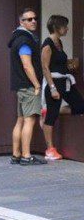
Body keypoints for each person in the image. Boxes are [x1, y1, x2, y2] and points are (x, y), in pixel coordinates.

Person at [40, 14, 84, 161]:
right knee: (51, 117)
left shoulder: (59, 43)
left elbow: (59, 63)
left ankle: (54, 109)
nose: (67, 28)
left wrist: (70, 64)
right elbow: (45, 68)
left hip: (65, 81)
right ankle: (50, 149)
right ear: (56, 27)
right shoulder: (47, 44)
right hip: (54, 82)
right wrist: (52, 88)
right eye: (64, 26)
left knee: (80, 105)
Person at [8, 8, 47, 166]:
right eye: (29, 19)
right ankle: (26, 156)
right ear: (21, 22)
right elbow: (27, 65)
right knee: (29, 121)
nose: (33, 21)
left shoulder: (17, 38)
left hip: (20, 86)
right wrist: (37, 84)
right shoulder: (24, 40)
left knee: (20, 120)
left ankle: (16, 154)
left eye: (34, 18)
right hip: (29, 86)